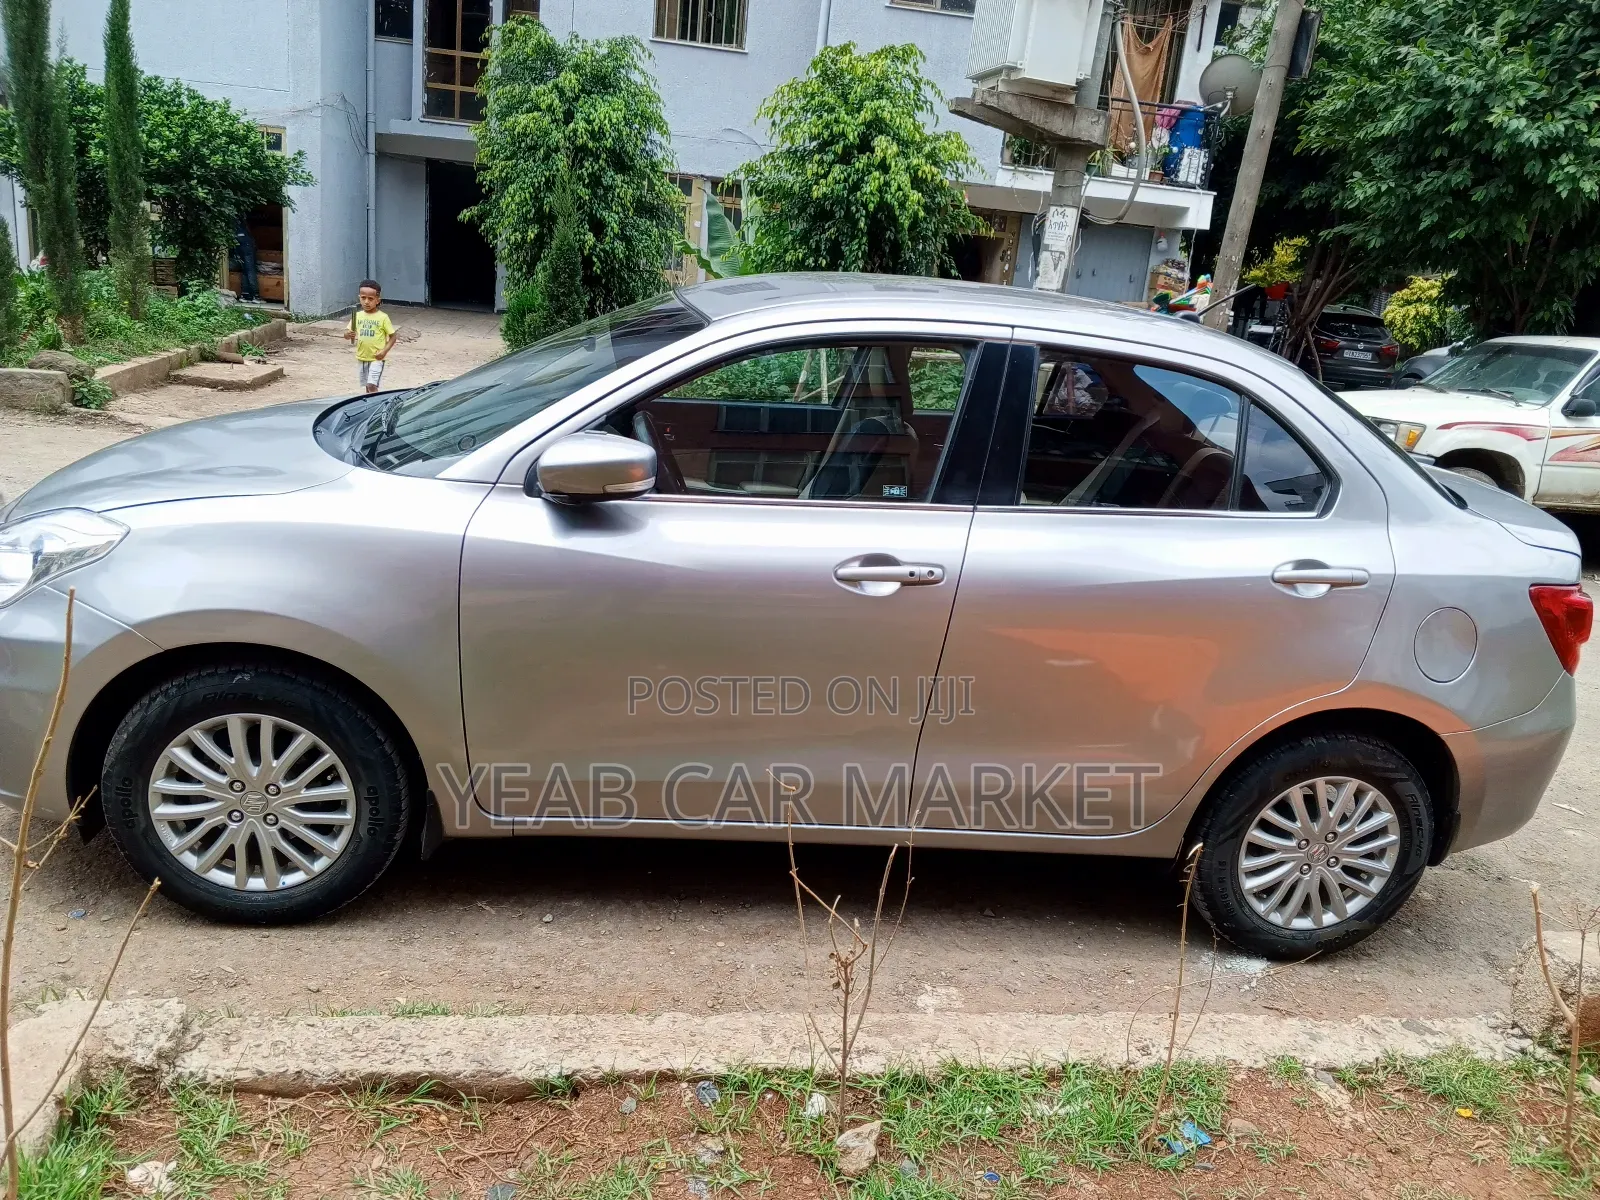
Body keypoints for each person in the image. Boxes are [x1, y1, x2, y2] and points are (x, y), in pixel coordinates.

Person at [343, 279, 397, 394]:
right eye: (363, 298)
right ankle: (369, 405)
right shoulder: (357, 316)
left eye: (371, 299)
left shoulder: (383, 317)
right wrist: (348, 334)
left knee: (371, 385)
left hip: (377, 358)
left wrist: (384, 351)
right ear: (359, 298)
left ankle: (376, 406)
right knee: (367, 386)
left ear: (378, 300)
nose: (366, 302)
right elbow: (347, 334)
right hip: (362, 356)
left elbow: (393, 336)